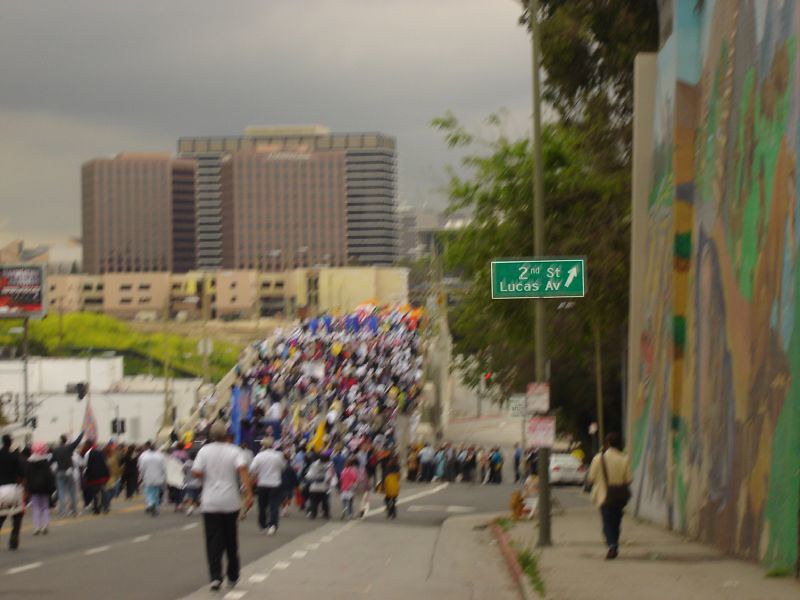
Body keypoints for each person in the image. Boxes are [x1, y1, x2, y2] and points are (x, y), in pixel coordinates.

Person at [192, 422, 254, 592]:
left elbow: (195, 472)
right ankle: (233, 575)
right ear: (227, 435)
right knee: (230, 539)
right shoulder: (235, 451)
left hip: (210, 501)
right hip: (230, 501)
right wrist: (249, 494)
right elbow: (243, 471)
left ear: (211, 436)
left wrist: (208, 474)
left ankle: (215, 577)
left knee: (213, 541)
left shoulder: (204, 451)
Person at [587, 432, 633, 560]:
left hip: (604, 496)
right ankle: (615, 544)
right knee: (617, 522)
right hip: (619, 496)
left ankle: (612, 545)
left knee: (607, 522)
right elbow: (628, 479)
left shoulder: (598, 459)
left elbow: (591, 478)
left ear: (606, 444)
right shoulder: (624, 459)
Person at [249, 437, 285, 535]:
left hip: (263, 483)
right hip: (275, 483)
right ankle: (273, 525)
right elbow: (283, 467)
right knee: (274, 505)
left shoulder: (259, 456)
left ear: (263, 445)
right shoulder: (278, 455)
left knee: (262, 505)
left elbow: (252, 469)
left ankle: (262, 523)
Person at [50, 432, 83, 517]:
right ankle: (74, 511)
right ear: (66, 441)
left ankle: (62, 512)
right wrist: (82, 433)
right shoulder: (69, 447)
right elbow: (77, 441)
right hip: (69, 471)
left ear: (60, 441)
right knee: (72, 492)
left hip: (59, 472)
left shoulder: (55, 450)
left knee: (61, 492)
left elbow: (52, 461)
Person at [0, 435, 24, 550]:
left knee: (1, 516)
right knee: (17, 515)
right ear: (10, 443)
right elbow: (22, 472)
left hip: (0, 489)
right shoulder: (14, 457)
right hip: (13, 488)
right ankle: (13, 540)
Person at [25, 442, 56, 535]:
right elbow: (49, 476)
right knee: (45, 507)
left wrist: (28, 488)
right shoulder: (45, 462)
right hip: (44, 488)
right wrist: (52, 488)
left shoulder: (29, 462)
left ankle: (36, 527)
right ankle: (45, 526)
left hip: (33, 488)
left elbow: (28, 476)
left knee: (36, 508)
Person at [138, 441, 166, 516]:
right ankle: (156, 509)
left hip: (148, 477)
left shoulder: (144, 456)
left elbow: (141, 468)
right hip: (158, 478)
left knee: (148, 492)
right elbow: (163, 468)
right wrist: (164, 477)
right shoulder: (160, 456)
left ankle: (150, 504)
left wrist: (140, 477)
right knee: (156, 493)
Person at [83, 440, 110, 514]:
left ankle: (96, 509)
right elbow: (105, 462)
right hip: (103, 474)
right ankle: (106, 507)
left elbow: (86, 465)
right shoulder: (101, 451)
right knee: (103, 491)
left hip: (94, 476)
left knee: (95, 493)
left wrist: (86, 475)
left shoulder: (88, 453)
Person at [305, 453, 334, 519]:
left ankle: (313, 514)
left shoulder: (314, 465)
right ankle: (326, 514)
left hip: (314, 486)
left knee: (314, 501)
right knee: (324, 501)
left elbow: (309, 476)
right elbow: (329, 476)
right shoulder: (328, 465)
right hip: (323, 487)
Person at [380, 452, 400, 519]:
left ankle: (389, 511)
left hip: (388, 485)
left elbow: (384, 476)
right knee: (394, 500)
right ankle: (393, 513)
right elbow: (399, 476)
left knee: (387, 499)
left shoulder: (387, 467)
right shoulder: (397, 466)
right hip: (395, 484)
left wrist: (382, 485)